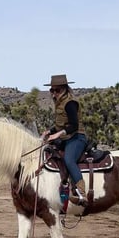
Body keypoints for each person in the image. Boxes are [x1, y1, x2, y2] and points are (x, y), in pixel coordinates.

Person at [41, 74, 88, 206]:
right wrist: (49, 132)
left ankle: (81, 193)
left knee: (69, 159)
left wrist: (57, 135)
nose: (54, 93)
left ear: (65, 89)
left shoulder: (70, 103)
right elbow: (59, 125)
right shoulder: (59, 103)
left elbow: (74, 126)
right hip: (66, 138)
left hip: (77, 137)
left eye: (57, 90)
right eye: (52, 90)